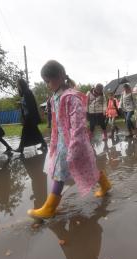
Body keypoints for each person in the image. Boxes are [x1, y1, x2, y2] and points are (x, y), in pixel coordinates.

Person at [27, 60, 112, 219]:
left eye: (48, 81)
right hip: (61, 142)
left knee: (62, 172)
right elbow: (56, 123)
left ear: (59, 77)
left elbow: (78, 125)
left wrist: (74, 147)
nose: (47, 85)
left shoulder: (72, 97)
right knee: (85, 167)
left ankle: (49, 208)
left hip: (74, 142)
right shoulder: (54, 98)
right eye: (45, 81)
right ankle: (105, 185)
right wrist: (53, 142)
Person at [15, 79, 48, 154]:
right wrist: (21, 103)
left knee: (24, 132)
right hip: (29, 116)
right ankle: (44, 144)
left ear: (21, 85)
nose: (17, 86)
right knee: (36, 131)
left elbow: (31, 105)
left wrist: (21, 103)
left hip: (30, 116)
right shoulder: (25, 93)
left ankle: (21, 148)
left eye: (18, 85)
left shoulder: (27, 92)